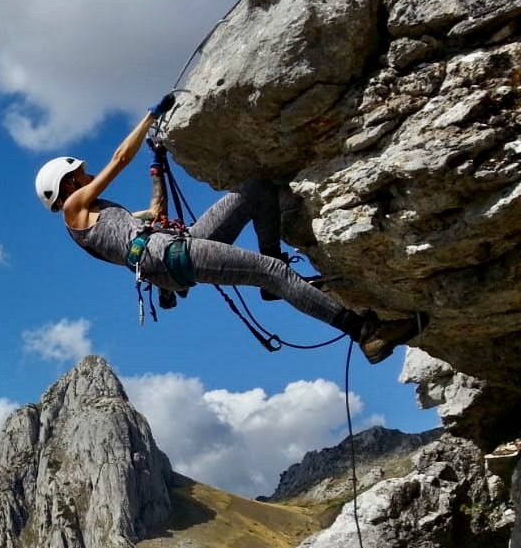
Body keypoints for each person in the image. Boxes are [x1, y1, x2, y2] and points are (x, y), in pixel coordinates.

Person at [34, 95, 424, 364]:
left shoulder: (99, 215)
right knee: (273, 275)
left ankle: (273, 269)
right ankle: (365, 334)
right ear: (67, 185)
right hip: (167, 256)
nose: (86, 174)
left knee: (257, 189)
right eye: (79, 173)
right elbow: (119, 159)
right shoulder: (74, 209)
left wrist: (156, 162)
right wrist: (150, 117)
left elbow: (154, 211)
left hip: (173, 249)